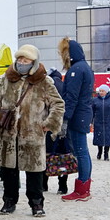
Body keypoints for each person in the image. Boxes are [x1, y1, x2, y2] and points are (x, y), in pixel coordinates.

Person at [0, 45, 64, 217]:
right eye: (20, 59)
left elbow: (58, 104)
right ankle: (9, 201)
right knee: (8, 171)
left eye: (26, 60)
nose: (22, 63)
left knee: (35, 172)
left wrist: (49, 123)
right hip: (8, 133)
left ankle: (36, 203)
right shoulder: (6, 79)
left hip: (32, 133)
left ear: (34, 62)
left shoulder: (44, 81)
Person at [57, 37, 95, 202]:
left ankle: (82, 190)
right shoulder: (84, 68)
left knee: (80, 152)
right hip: (83, 115)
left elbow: (71, 97)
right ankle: (84, 187)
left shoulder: (75, 70)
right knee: (83, 152)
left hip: (76, 116)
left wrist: (65, 119)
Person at [44, 66, 69, 194]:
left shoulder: (48, 85)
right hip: (63, 126)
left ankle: (44, 184)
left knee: (45, 155)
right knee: (62, 157)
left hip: (48, 125)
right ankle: (62, 185)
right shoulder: (63, 85)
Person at [92, 84, 110, 161]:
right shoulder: (95, 100)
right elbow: (92, 112)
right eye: (100, 91)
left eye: (103, 91)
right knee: (99, 138)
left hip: (109, 122)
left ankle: (106, 153)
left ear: (107, 92)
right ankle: (99, 152)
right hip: (98, 122)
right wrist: (90, 121)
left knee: (108, 138)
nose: (101, 92)